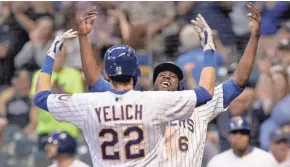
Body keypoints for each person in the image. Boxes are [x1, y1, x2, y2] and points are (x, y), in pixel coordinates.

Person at [78, 3, 261, 167]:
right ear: (152, 84)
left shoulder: (198, 107)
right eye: (161, 75)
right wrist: (84, 39)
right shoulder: (139, 103)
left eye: (173, 76)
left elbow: (240, 79)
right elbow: (96, 83)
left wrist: (254, 37)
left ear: (181, 85)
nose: (166, 77)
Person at [33, 19, 216, 167]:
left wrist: (50, 56)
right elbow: (206, 93)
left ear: (107, 74)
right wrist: (209, 49)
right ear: (137, 73)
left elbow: (41, 98)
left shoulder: (89, 103)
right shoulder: (155, 100)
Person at [207, 116, 278, 167]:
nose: (239, 136)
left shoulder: (266, 159)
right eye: (234, 133)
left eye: (243, 132)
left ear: (249, 136)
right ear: (228, 137)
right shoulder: (216, 162)